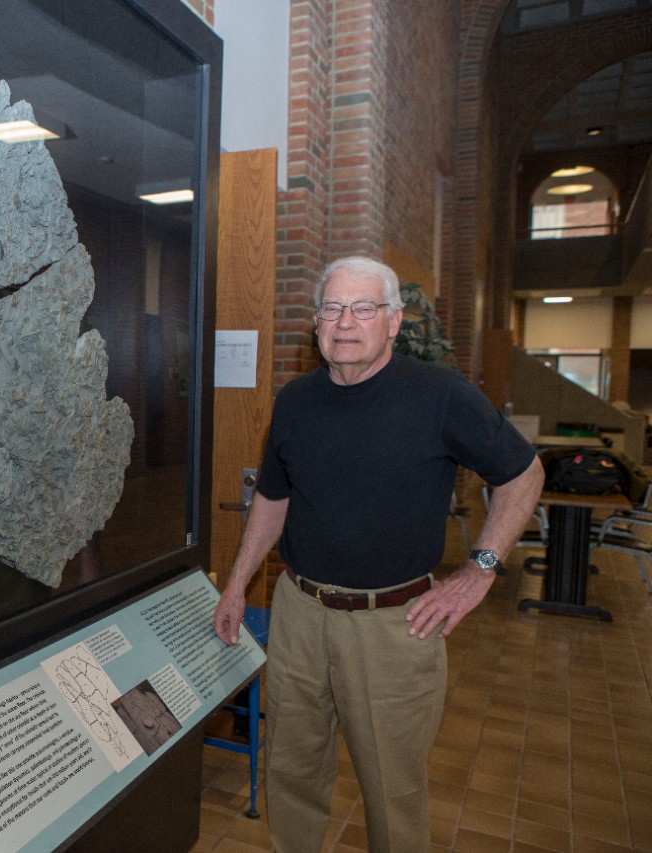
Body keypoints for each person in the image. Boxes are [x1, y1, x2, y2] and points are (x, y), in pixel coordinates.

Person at [212, 256, 543, 853]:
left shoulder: (442, 397)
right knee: (289, 774)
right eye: (333, 309)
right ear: (316, 323)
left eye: (363, 308)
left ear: (392, 321)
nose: (346, 322)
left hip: (394, 627)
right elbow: (271, 498)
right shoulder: (294, 401)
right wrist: (238, 584)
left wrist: (480, 570)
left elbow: (524, 477)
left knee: (393, 792)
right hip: (299, 615)